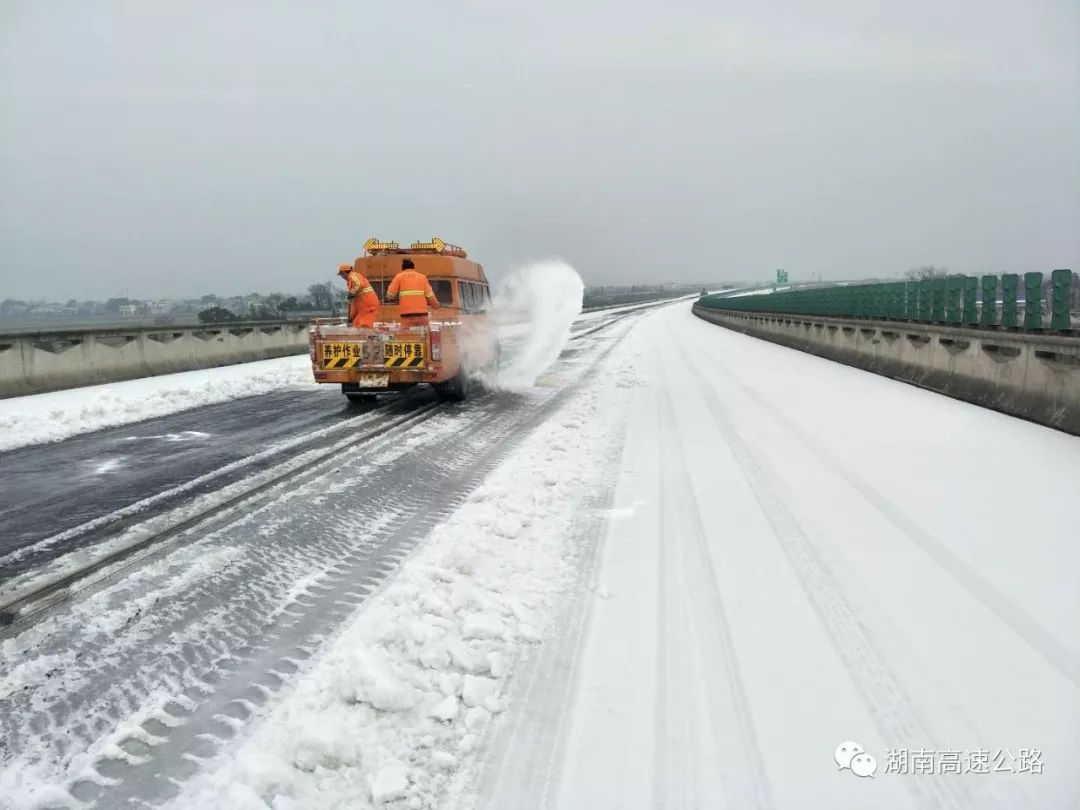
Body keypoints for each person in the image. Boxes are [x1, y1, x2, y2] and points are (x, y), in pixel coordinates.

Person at [386, 258, 438, 327]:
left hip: (406, 316)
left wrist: (390, 298)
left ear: (403, 268)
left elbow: (390, 295)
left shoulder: (399, 277)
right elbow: (430, 295)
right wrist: (435, 305)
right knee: (425, 336)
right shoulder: (422, 277)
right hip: (422, 315)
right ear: (413, 267)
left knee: (407, 336)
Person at [337, 262, 380, 328]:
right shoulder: (350, 283)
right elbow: (354, 303)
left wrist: (352, 293)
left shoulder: (353, 275)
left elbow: (360, 284)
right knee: (355, 325)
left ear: (344, 273)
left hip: (369, 305)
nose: (342, 277)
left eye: (341, 275)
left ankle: (366, 337)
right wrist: (351, 317)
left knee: (364, 326)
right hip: (363, 308)